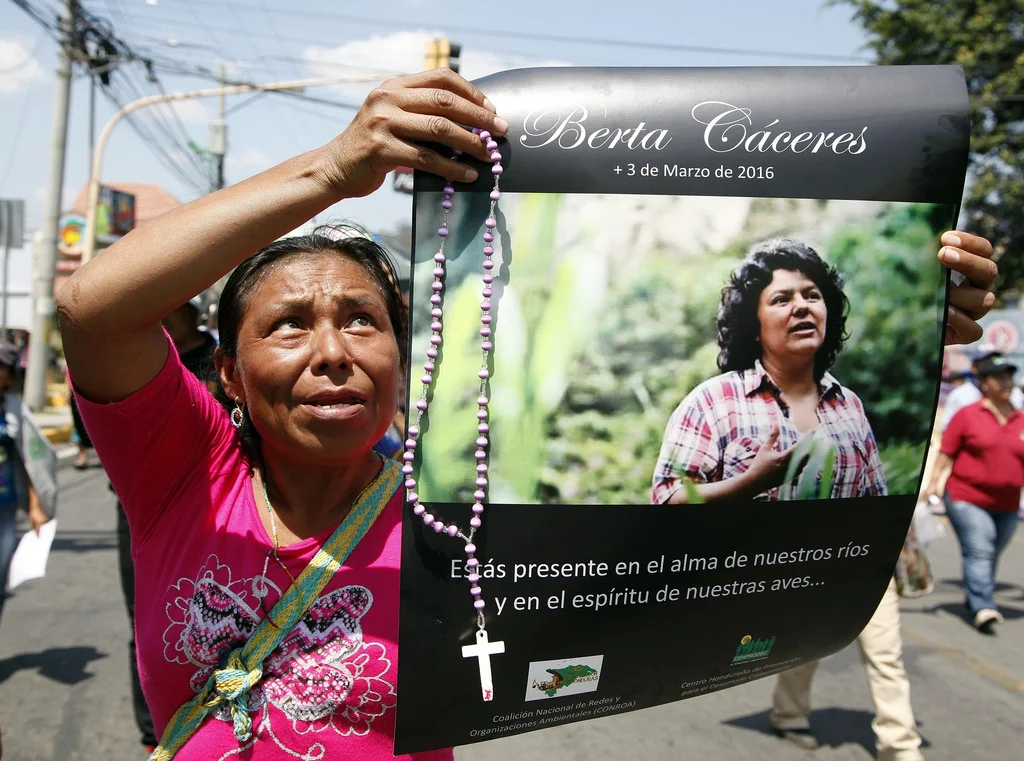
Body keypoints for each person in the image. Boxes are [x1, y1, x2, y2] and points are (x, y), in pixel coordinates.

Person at [59, 69, 506, 760]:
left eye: (362, 320)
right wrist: (331, 168)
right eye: (290, 325)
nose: (333, 351)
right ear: (231, 374)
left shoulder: (453, 508)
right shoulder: (185, 472)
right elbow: (92, 310)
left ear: (400, 353)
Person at [651, 239, 886, 504]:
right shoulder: (713, 403)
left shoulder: (849, 406)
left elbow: (877, 503)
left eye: (812, 296)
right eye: (781, 299)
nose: (801, 306)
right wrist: (750, 483)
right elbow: (667, 500)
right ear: (753, 327)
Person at [115, 294, 220, 753]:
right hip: (143, 510)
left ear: (192, 311)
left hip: (212, 503)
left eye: (168, 313)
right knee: (146, 619)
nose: (159, 325)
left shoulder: (223, 360)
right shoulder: (138, 364)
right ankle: (154, 735)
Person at [925, 353, 1022, 634]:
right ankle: (983, 606)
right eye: (999, 377)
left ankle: (977, 597)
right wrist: (933, 484)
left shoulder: (1020, 419)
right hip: (966, 497)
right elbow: (946, 453)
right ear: (984, 383)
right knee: (980, 549)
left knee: (990, 554)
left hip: (1007, 504)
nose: (1006, 383)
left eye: (1009, 377)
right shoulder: (968, 416)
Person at [0, 340, 49, 626]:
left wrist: (35, 505)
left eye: (2, 368)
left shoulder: (15, 409)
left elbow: (32, 460)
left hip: (5, 509)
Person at [940, 345, 1024, 430]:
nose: (993, 364)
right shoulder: (960, 395)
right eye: (986, 361)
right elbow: (947, 429)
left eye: (996, 359)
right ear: (974, 367)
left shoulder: (1015, 394)